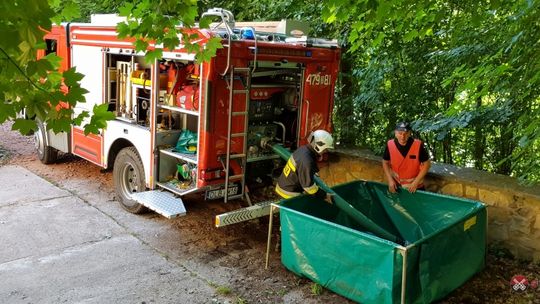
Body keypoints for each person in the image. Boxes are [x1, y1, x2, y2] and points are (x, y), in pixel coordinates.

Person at [275, 130, 334, 204]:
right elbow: (309, 188)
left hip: (284, 185)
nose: (326, 151)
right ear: (319, 146)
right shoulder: (306, 160)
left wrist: (310, 173)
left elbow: (301, 169)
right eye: (325, 149)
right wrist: (325, 195)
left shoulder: (303, 149)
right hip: (289, 194)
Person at [382, 121, 431, 193]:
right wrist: (390, 180)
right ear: (395, 133)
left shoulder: (417, 145)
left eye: (405, 134)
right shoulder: (390, 145)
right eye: (400, 133)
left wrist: (416, 182)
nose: (402, 137)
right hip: (397, 186)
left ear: (409, 133)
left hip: (416, 187)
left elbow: (427, 164)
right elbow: (385, 162)